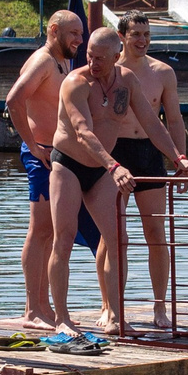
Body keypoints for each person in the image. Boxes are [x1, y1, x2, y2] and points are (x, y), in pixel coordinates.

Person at [44, 28, 151, 345]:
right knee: (63, 238)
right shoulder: (75, 82)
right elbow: (82, 132)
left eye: (99, 58)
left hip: (103, 167)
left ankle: (116, 317)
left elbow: (151, 120)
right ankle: (61, 319)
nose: (92, 62)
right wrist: (115, 165)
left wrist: (178, 156)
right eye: (88, 55)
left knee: (119, 239)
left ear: (117, 56)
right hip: (70, 164)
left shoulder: (127, 81)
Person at [3, 8, 86, 330]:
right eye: (73, 34)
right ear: (54, 31)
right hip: (41, 155)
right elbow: (13, 100)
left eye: (81, 33)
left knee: (52, 231)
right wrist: (34, 146)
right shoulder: (43, 61)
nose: (79, 39)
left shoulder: (65, 61)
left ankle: (46, 306)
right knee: (40, 230)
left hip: (59, 155)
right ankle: (32, 309)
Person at [113, 16, 188, 329]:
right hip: (117, 153)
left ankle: (159, 308)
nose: (142, 40)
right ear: (122, 36)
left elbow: (174, 120)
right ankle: (113, 308)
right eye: (136, 34)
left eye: (146, 34)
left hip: (149, 153)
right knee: (116, 235)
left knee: (156, 235)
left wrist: (180, 160)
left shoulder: (163, 73)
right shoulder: (111, 71)